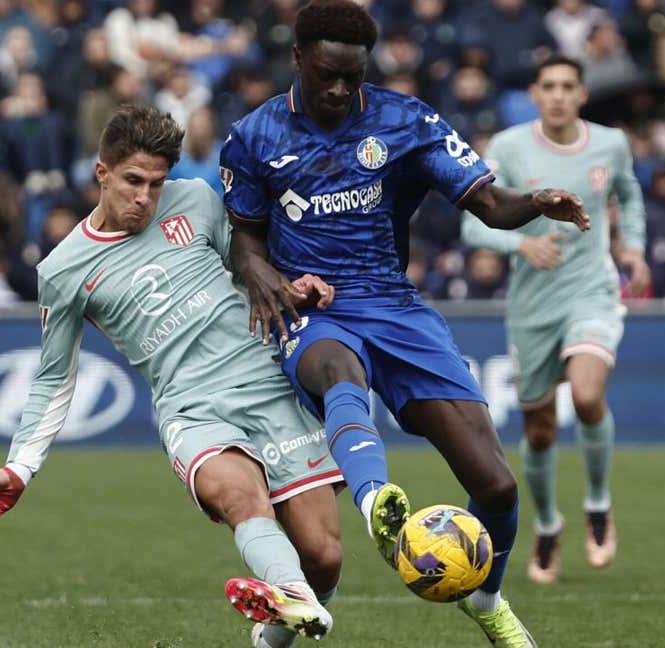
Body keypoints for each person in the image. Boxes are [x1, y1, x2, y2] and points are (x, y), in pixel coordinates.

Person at [221, 3, 588, 646]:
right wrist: (266, 279)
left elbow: (489, 205)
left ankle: (487, 598)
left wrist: (535, 202)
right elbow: (244, 239)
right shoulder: (254, 137)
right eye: (328, 75)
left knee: (497, 486)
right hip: (313, 308)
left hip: (394, 304)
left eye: (353, 76)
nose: (340, 90)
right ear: (299, 59)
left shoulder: (405, 120)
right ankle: (375, 504)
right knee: (338, 370)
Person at [0, 106, 344, 646]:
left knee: (324, 555)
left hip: (266, 383)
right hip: (192, 408)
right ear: (103, 174)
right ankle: (289, 592)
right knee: (241, 500)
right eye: (133, 182)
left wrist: (294, 284)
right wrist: (20, 467)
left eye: (156, 182)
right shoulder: (63, 271)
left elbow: (251, 263)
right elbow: (54, 379)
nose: (145, 197)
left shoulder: (195, 199)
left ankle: (283, 623)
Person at [460, 56, 647, 585]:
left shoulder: (610, 144)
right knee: (539, 431)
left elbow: (628, 196)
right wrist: (521, 242)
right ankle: (546, 525)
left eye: (569, 86)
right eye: (550, 86)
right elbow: (474, 227)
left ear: (582, 94)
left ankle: (598, 504)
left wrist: (632, 246)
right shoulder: (509, 148)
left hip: (593, 290)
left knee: (587, 397)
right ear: (535, 94)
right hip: (533, 307)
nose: (560, 95)